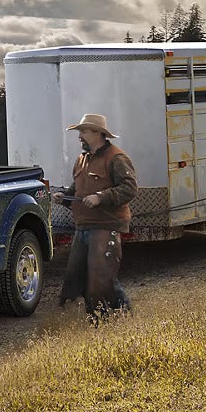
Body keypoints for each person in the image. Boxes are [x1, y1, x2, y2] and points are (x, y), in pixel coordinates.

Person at [55, 113, 137, 320]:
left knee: (101, 277)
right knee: (80, 276)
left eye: (83, 132)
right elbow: (78, 191)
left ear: (98, 133)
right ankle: (107, 318)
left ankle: (117, 318)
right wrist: (64, 197)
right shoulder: (82, 160)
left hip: (105, 225)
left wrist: (101, 198)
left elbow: (130, 188)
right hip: (83, 226)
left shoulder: (116, 158)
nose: (79, 136)